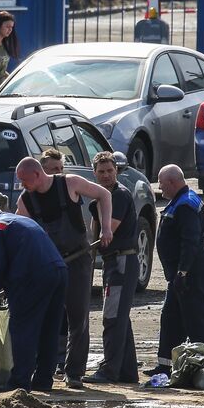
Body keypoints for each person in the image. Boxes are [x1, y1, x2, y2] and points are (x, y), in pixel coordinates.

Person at [15, 156, 113, 389]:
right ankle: (42, 370)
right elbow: (22, 235)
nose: (22, 185)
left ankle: (74, 372)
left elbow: (104, 195)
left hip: (78, 260)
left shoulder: (70, 183)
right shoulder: (26, 200)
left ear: (37, 175)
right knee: (46, 318)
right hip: (49, 265)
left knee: (78, 317)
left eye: (24, 180)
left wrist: (106, 227)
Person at [0, 202, 68, 393]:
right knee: (49, 329)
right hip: (59, 272)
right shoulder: (23, 220)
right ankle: (43, 380)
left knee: (23, 329)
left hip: (33, 277)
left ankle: (19, 382)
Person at [149, 164, 204, 378]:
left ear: (172, 182)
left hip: (191, 272)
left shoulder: (185, 204)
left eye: (161, 184)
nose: (160, 189)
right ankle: (165, 365)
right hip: (180, 274)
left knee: (196, 319)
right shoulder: (179, 200)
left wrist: (183, 273)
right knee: (171, 318)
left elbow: (190, 241)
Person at [86, 152, 140, 384]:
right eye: (101, 172)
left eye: (110, 171)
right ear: (94, 174)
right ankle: (127, 372)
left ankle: (109, 371)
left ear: (116, 171)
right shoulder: (100, 199)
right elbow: (94, 231)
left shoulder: (117, 196)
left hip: (122, 262)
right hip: (113, 263)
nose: (106, 175)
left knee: (113, 317)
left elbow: (107, 234)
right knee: (120, 318)